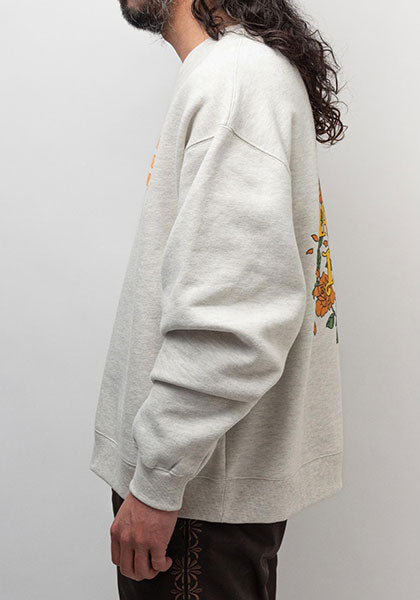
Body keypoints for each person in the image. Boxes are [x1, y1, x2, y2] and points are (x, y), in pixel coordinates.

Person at [90, 0, 345, 596]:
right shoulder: (235, 73)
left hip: (195, 501)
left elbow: (236, 319)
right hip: (199, 490)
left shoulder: (235, 77)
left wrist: (157, 479)